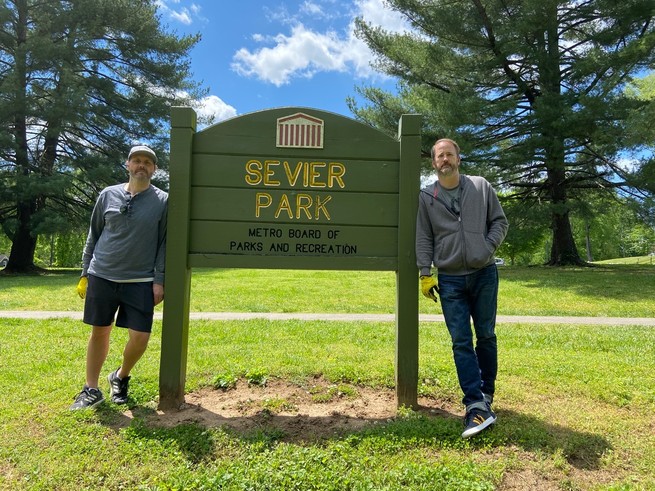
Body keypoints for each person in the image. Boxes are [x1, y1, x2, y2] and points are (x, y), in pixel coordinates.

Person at [416, 138, 508, 438]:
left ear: (458, 158)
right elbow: (424, 237)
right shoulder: (427, 196)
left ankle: (486, 396)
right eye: (440, 156)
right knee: (460, 341)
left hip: (484, 273)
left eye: (449, 154)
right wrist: (425, 274)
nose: (445, 159)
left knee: (486, 335)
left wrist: (486, 246)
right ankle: (474, 403)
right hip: (451, 279)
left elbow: (499, 222)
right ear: (433, 163)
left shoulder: (481, 186)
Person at [70, 145, 168, 410]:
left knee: (140, 337)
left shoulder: (163, 201)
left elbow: (164, 243)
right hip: (101, 274)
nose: (141, 166)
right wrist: (85, 272)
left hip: (140, 280)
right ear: (128, 165)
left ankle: (121, 375)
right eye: (136, 161)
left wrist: (159, 280)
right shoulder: (107, 195)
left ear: (154, 169)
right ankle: (91, 389)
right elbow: (94, 234)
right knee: (100, 331)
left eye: (147, 162)